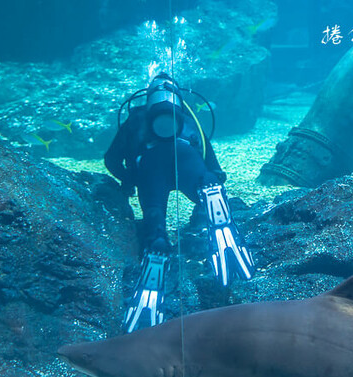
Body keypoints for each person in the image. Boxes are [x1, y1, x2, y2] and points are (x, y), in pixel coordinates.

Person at [105, 72, 254, 332]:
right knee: (206, 183)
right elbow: (207, 152)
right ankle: (216, 216)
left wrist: (131, 179)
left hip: (150, 168)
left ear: (148, 95)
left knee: (155, 216)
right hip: (186, 158)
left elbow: (111, 159)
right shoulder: (186, 114)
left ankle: (157, 246)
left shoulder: (136, 117)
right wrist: (213, 175)